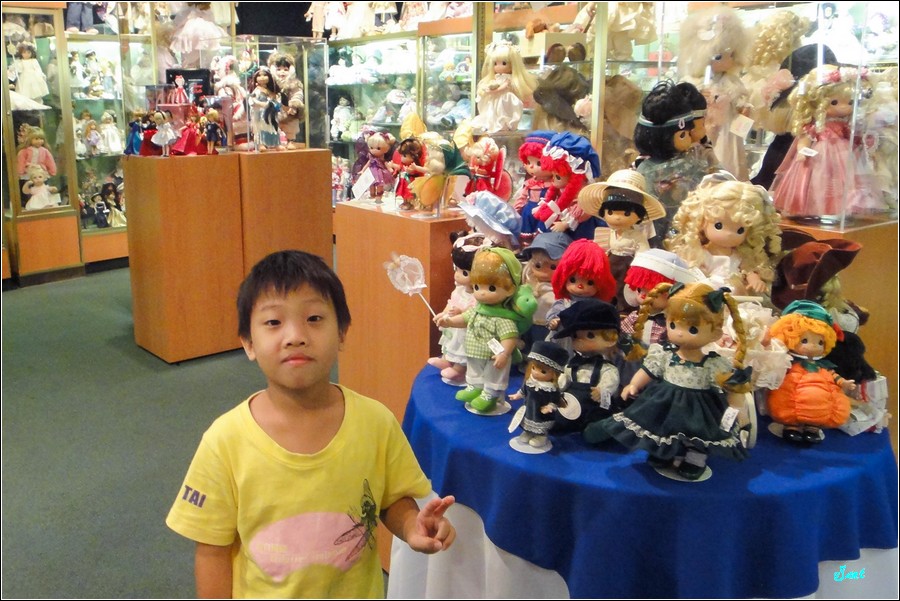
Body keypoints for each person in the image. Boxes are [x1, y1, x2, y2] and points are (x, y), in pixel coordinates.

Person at [167, 251, 456, 598]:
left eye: (314, 318)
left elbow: (391, 499)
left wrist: (411, 525)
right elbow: (212, 550)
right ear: (248, 343)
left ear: (342, 333)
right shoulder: (225, 441)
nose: (295, 336)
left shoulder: (375, 422)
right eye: (273, 322)